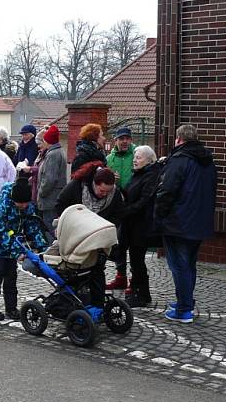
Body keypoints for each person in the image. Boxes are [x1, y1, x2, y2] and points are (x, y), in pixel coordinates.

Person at [155, 124, 217, 323]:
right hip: (200, 221)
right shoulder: (208, 162)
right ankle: (185, 301)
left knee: (179, 266)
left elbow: (167, 191)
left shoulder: (179, 160)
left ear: (179, 139)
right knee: (189, 264)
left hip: (178, 222)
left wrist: (159, 215)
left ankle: (184, 309)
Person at [56, 165, 125, 306]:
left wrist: (105, 226)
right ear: (95, 183)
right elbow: (60, 204)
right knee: (75, 271)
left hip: (98, 238)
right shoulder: (77, 186)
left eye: (108, 191)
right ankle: (72, 303)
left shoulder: (114, 194)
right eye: (102, 190)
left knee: (97, 270)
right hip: (77, 237)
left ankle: (97, 304)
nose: (104, 194)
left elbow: (119, 214)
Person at [0, 176, 48, 321]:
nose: (24, 206)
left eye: (26, 203)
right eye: (21, 203)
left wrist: (43, 246)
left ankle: (11, 309)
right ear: (13, 198)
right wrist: (17, 251)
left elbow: (32, 226)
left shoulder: (27, 205)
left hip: (13, 242)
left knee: (11, 276)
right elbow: (0, 232)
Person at [117, 145, 162, 308]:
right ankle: (139, 291)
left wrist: (123, 212)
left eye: (139, 157)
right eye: (135, 157)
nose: (135, 160)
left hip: (142, 225)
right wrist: (118, 187)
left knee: (137, 260)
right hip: (133, 224)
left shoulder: (151, 175)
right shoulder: (139, 174)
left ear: (149, 160)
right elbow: (130, 196)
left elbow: (144, 202)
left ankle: (141, 294)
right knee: (135, 259)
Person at [105, 126, 137, 291]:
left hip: (135, 205)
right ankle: (120, 276)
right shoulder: (109, 158)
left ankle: (135, 278)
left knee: (135, 244)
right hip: (117, 206)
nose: (124, 141)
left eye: (127, 138)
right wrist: (111, 177)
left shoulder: (137, 154)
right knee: (119, 243)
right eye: (121, 138)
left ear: (131, 140)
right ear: (115, 141)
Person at [36, 125, 66, 241]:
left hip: (50, 198)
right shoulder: (57, 152)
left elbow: (49, 178)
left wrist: (41, 192)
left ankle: (53, 250)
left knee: (50, 226)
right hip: (52, 197)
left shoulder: (53, 154)